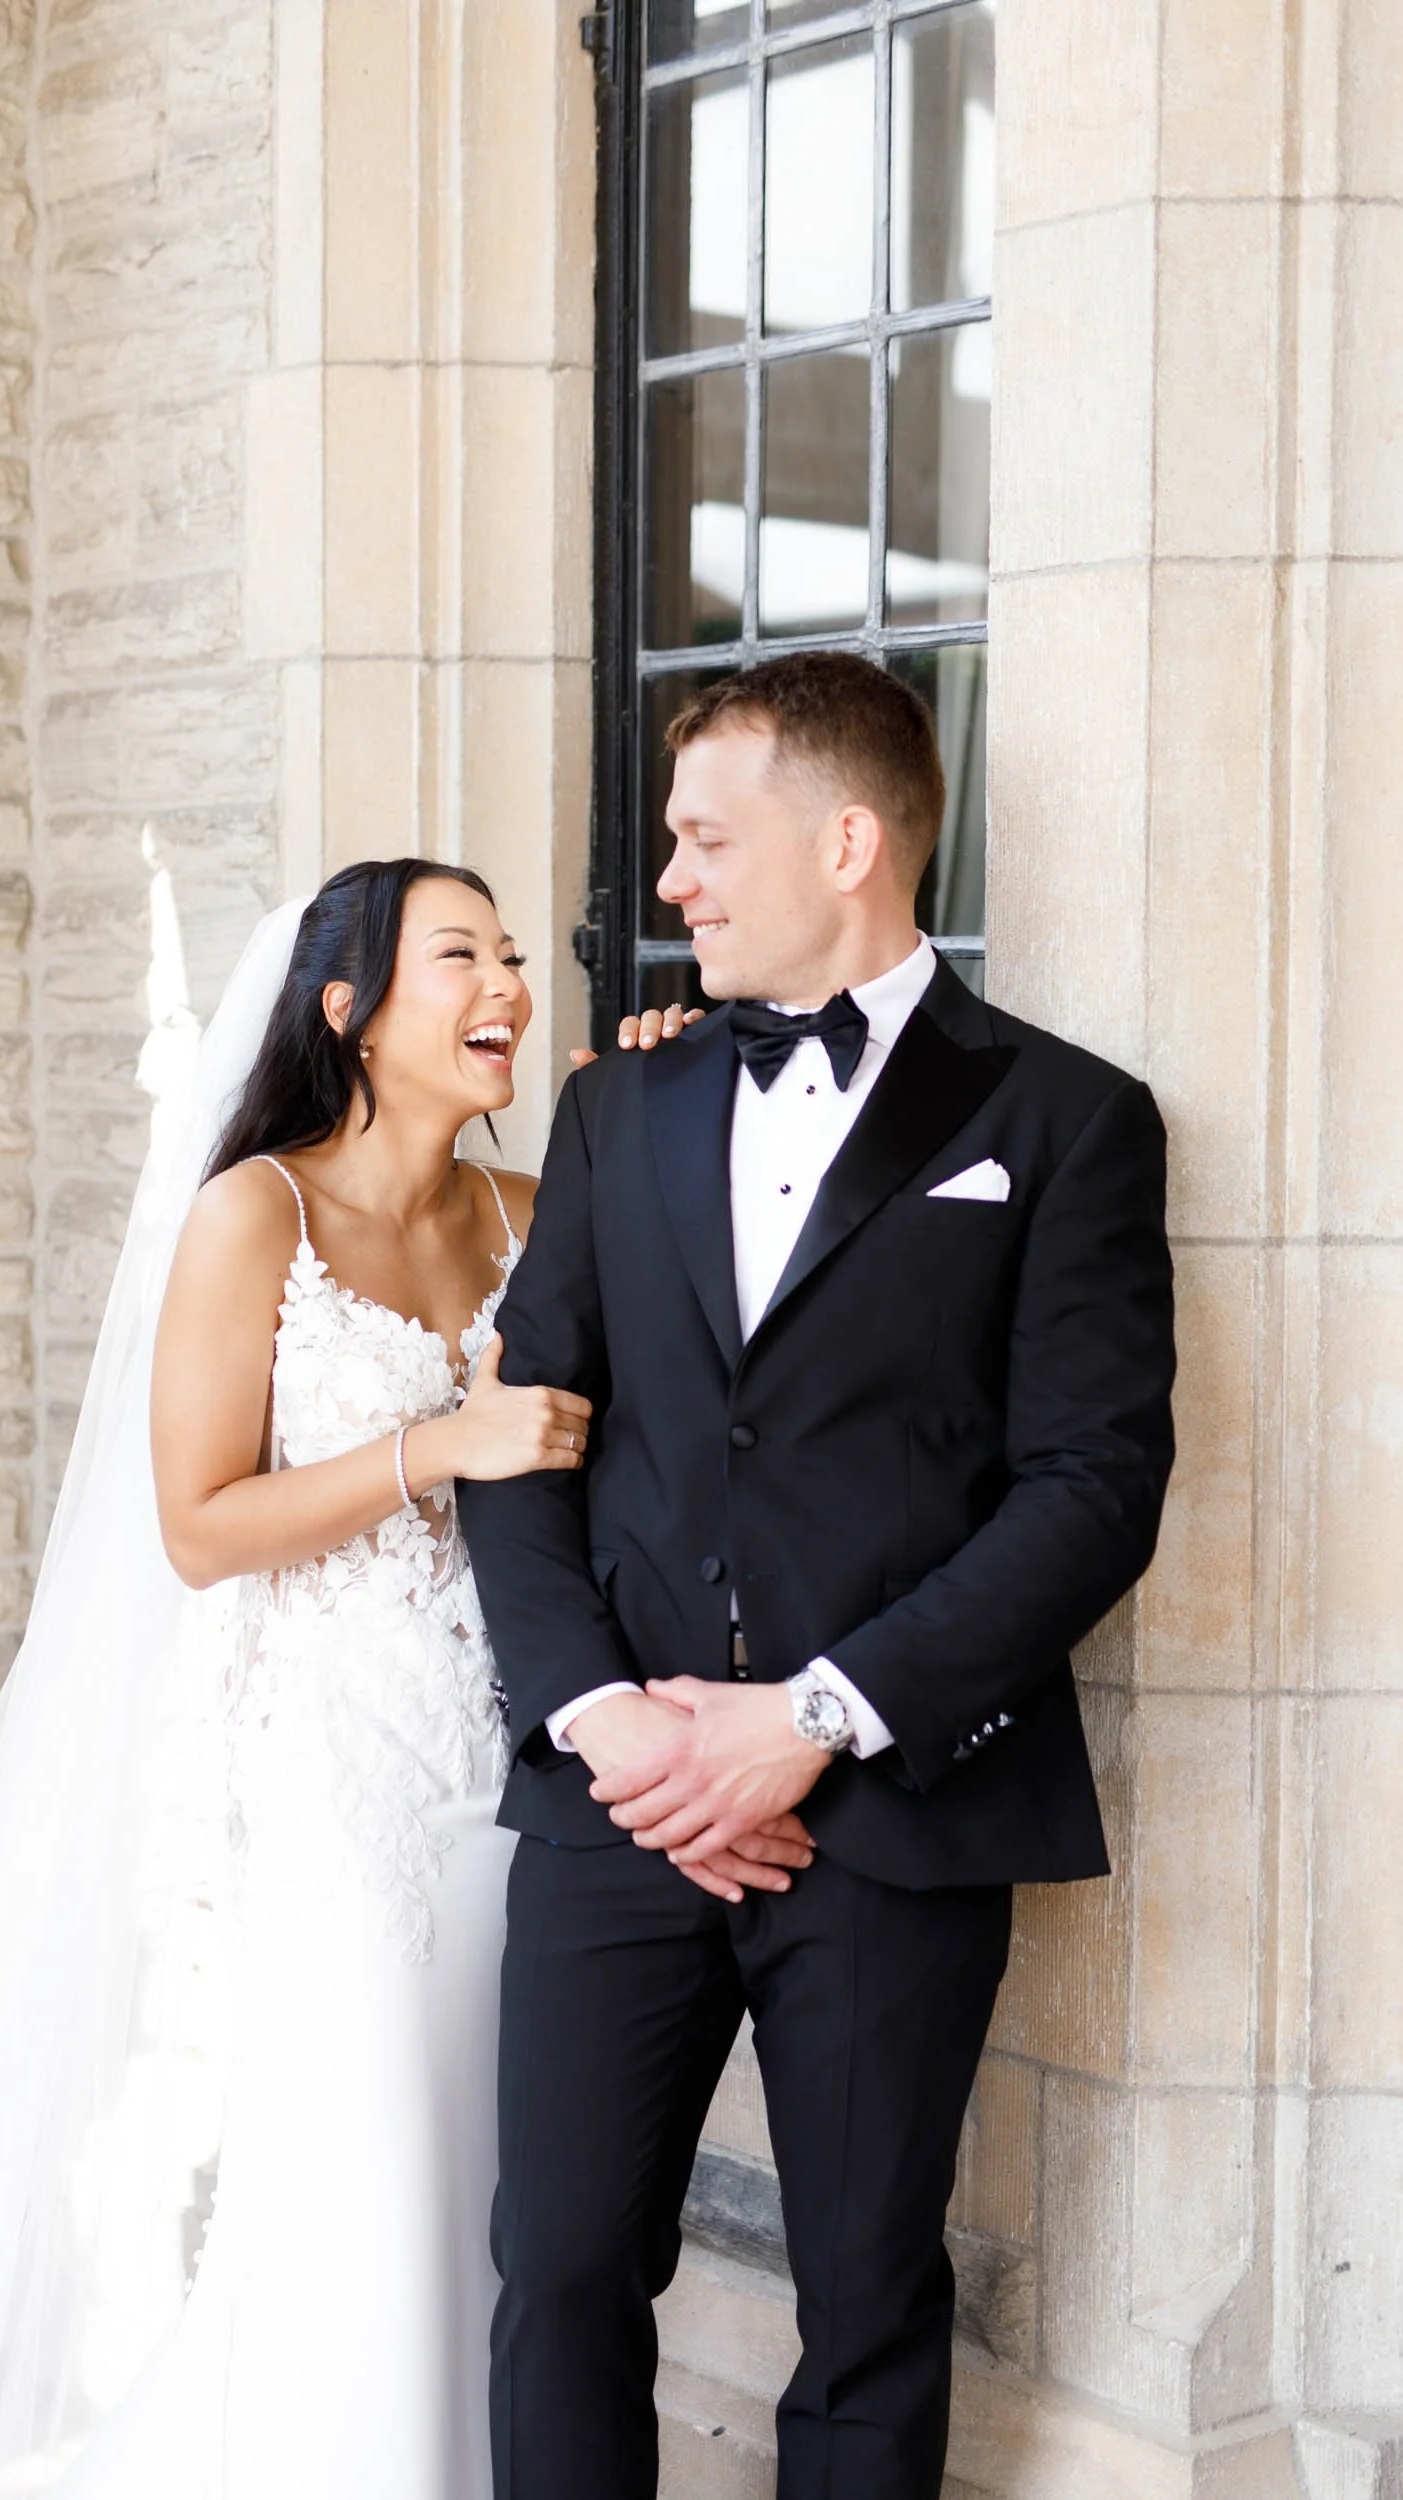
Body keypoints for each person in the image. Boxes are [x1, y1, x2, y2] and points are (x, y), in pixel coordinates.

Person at [0, 857, 722, 2500]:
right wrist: (435, 1444)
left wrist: (657, 1110)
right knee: (368, 2161)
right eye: (455, 957)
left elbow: (677, 1400)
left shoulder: (532, 1211)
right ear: (348, 1011)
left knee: (510, 2170)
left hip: (519, 1746)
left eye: (507, 956)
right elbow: (198, 1522)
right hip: (334, 1763)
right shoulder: (254, 1206)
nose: (503, 987)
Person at [459, 650, 1179, 2500]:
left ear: (847, 838)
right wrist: (616, 1723)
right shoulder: (619, 1110)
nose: (672, 881)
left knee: (865, 2299)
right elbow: (520, 1440)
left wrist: (809, 1719)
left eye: (705, 837)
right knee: (553, 2272)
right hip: (609, 1800)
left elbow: (1093, 1488)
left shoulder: (1068, 1120)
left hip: (892, 1809)